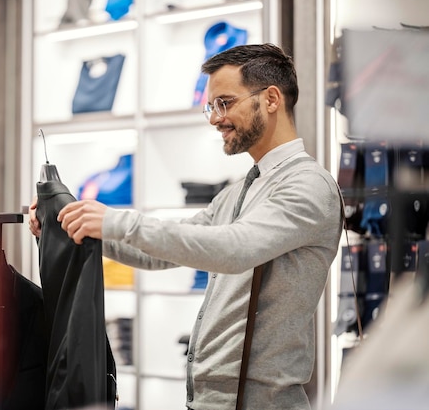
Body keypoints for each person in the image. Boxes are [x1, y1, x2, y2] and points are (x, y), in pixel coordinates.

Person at [28, 43, 344, 410]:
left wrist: (116, 221)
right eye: (212, 106)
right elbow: (167, 253)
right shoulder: (240, 190)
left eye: (225, 102)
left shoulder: (308, 186)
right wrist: (82, 229)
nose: (214, 118)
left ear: (271, 99)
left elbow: (233, 249)